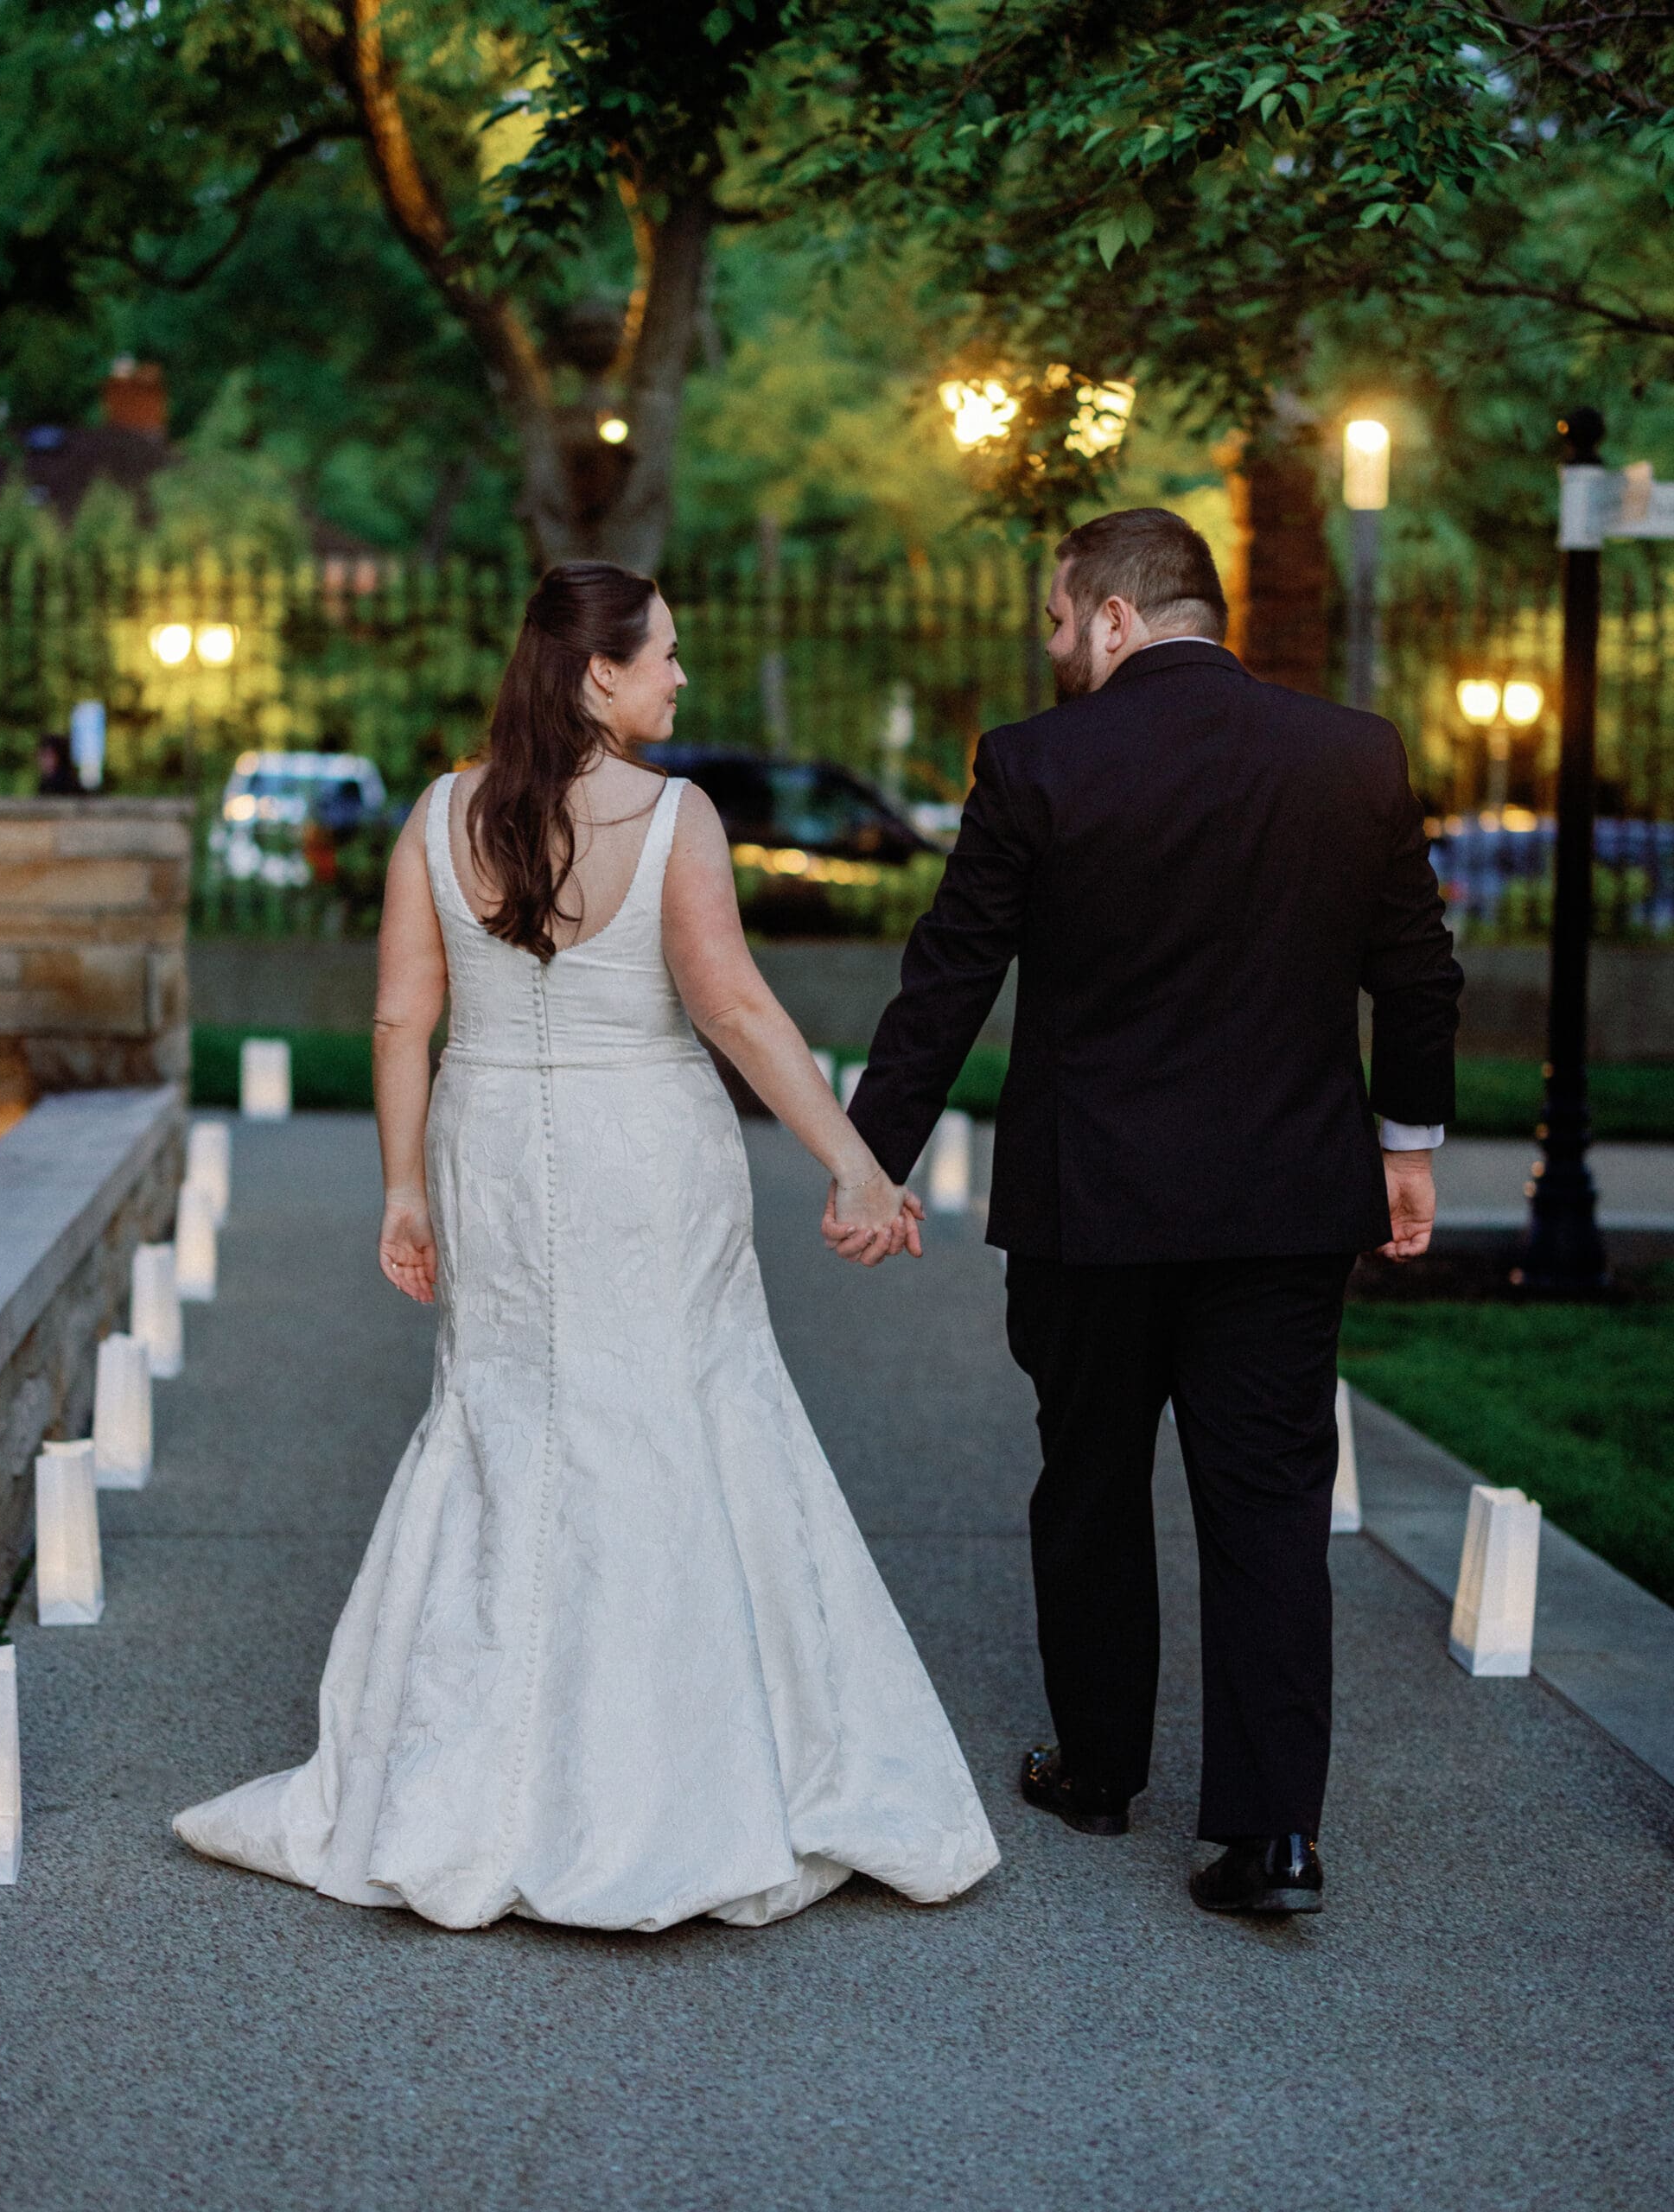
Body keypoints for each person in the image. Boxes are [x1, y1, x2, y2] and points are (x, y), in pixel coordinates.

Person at [173, 562, 998, 1930]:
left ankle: (477, 1784)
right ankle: (686, 1783)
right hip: (647, 1153)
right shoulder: (674, 815)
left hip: (488, 1144)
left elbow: (397, 1026)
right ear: (597, 674)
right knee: (680, 1417)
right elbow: (732, 1009)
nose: (682, 676)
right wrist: (850, 1159)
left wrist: (401, 1189)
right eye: (665, 654)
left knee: (507, 1425)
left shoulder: (441, 814)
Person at [837, 509, 1461, 1918]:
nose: (1053, 647)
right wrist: (1405, 1150)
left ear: (1117, 617)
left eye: (1060, 621)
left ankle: (1102, 1771)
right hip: (1287, 1205)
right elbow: (1418, 974)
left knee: (1094, 1487)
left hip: (1093, 1208)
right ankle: (1271, 1835)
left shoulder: (1037, 762)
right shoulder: (1350, 754)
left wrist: (872, 1159)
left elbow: (951, 980)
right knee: (1268, 1509)